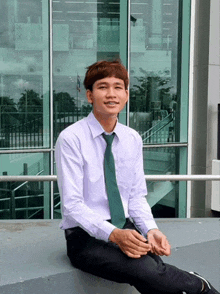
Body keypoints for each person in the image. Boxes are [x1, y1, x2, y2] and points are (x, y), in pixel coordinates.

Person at [55, 60, 219, 294]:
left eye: (117, 87)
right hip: (85, 237)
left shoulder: (132, 138)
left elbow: (135, 196)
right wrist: (113, 234)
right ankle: (202, 286)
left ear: (126, 95)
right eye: (103, 87)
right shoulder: (71, 139)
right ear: (90, 96)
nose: (111, 94)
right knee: (149, 271)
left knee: (153, 273)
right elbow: (72, 205)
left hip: (125, 225)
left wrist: (151, 229)